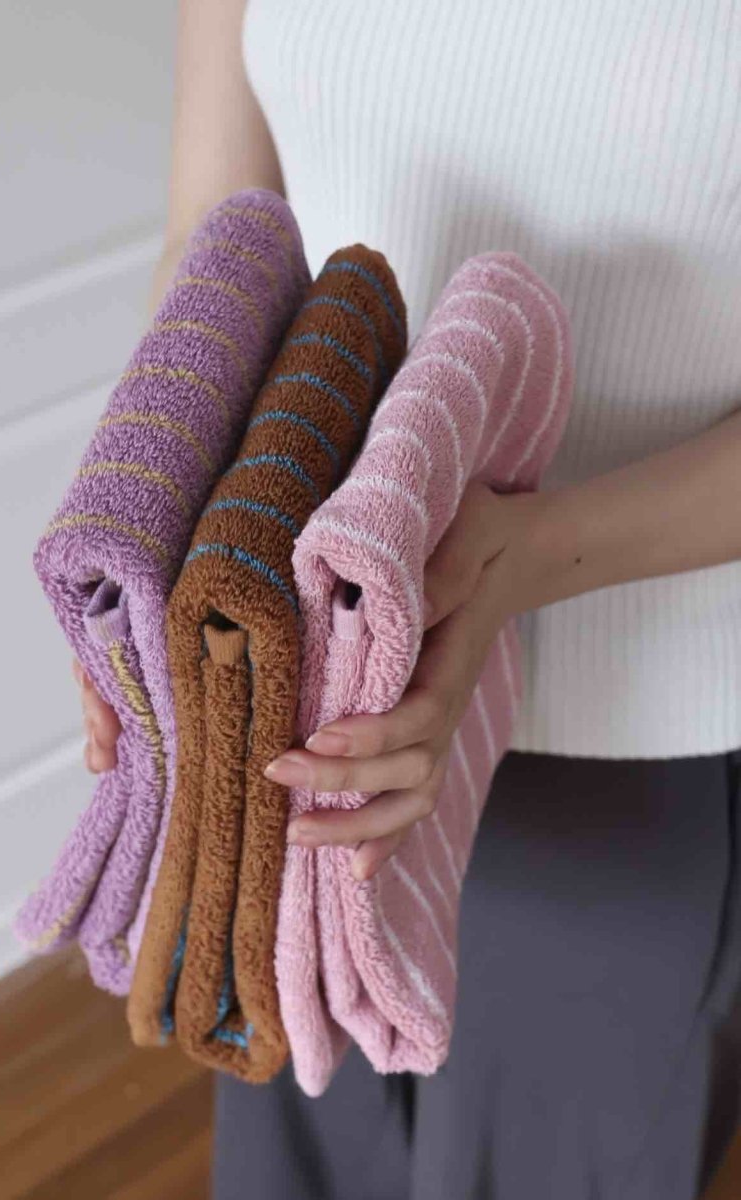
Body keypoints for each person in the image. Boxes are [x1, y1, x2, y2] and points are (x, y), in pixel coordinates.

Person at [73, 2, 741, 1195]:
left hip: (640, 745)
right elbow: (217, 244)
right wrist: (145, 551)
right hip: (292, 724)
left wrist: (527, 558)